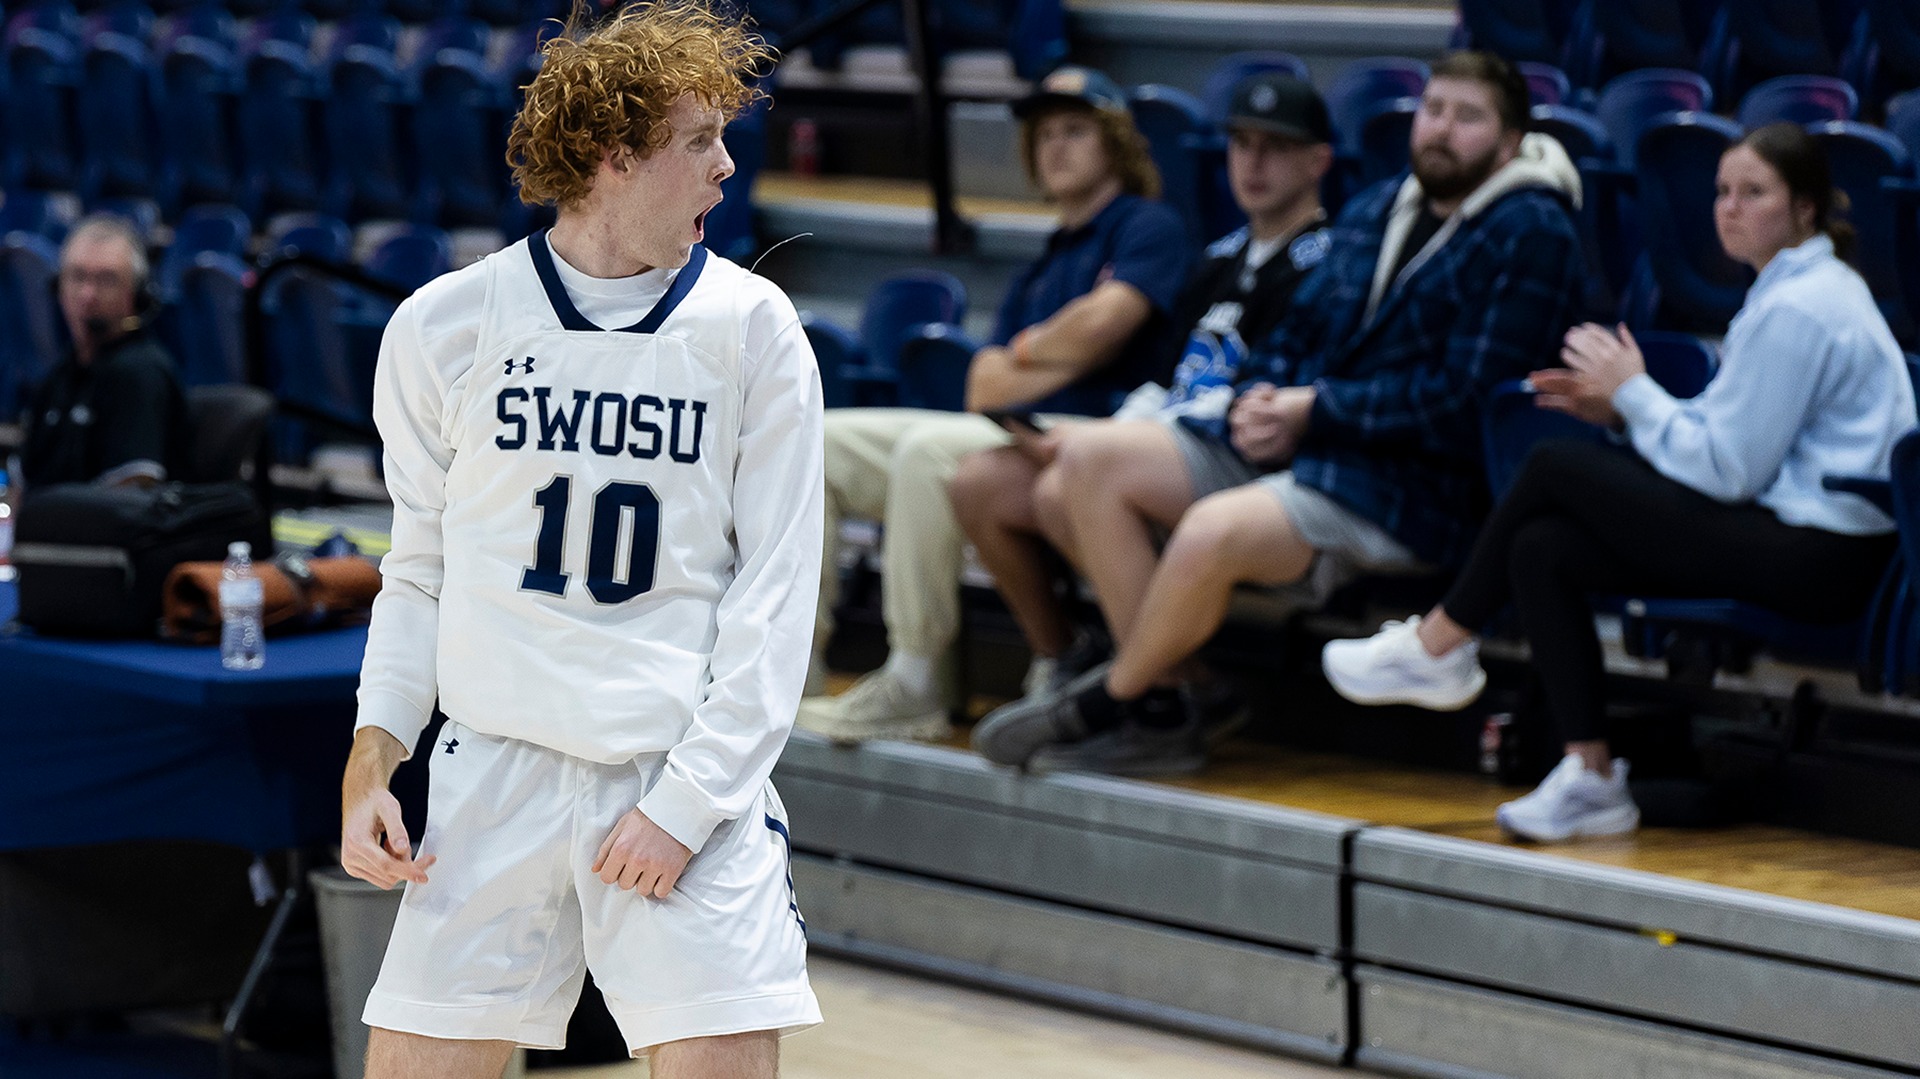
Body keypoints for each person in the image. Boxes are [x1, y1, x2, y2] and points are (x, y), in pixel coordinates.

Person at [340, 5, 824, 1077]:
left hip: (676, 774)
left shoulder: (753, 330)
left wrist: (688, 806)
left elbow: (777, 598)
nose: (726, 168)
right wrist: (375, 754)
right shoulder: (442, 326)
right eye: (699, 140)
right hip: (491, 771)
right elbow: (417, 572)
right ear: (614, 155)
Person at [972, 51, 1584, 777]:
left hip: (1410, 485)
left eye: (1469, 117)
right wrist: (1259, 397)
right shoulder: (1383, 204)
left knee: (1209, 530)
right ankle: (1174, 699)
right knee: (1089, 459)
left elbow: (1463, 396)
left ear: (1510, 141)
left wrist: (1313, 409)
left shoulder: (1532, 230)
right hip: (1307, 444)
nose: (1443, 130)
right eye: (1435, 109)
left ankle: (1120, 697)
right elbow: (1296, 330)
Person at [1321, 121, 1915, 842]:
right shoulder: (1793, 290)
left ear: (1806, 209)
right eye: (1723, 191)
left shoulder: (1802, 305)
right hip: (1799, 536)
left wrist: (1634, 393)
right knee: (1543, 547)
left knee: (1552, 468)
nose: (1729, 207)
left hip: (1826, 556)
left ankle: (1439, 643)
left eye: (1754, 193)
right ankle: (1591, 776)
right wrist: (1626, 411)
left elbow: (1728, 470)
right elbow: (1725, 439)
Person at [796, 65, 1190, 744]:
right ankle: (794, 669)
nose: (1054, 147)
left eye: (1075, 130)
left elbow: (1105, 330)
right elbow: (984, 386)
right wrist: (1057, 348)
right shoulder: (1049, 255)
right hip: (1008, 427)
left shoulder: (1147, 226)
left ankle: (915, 678)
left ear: (1117, 144)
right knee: (820, 439)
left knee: (927, 454)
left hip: (1100, 435)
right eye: (1044, 135)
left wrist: (1032, 355)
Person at [947, 72, 1336, 715]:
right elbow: (1168, 382)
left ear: (1319, 161)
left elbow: (1266, 398)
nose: (1254, 162)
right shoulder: (1220, 259)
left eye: (1277, 147)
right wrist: (1116, 427)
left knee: (1089, 464)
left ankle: (1152, 701)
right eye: (1242, 144)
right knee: (998, 482)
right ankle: (1164, 678)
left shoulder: (1328, 262)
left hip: (1260, 461)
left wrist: (1110, 438)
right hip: (1182, 443)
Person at [19, 215, 190, 489]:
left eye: (106, 280)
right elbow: (21, 489)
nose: (87, 295)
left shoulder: (140, 374)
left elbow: (131, 501)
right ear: (57, 288)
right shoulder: (58, 376)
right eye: (77, 277)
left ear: (136, 294)